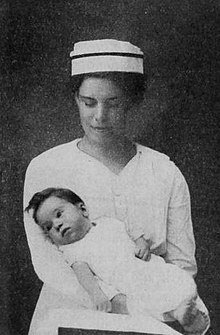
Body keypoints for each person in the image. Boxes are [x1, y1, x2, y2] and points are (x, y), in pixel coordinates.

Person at [23, 39, 210, 334]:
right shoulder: (46, 167)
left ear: (133, 102)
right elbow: (47, 263)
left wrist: (167, 308)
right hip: (71, 318)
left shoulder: (163, 171)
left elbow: (182, 263)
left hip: (153, 319)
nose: (99, 116)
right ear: (76, 99)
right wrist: (117, 304)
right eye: (89, 102)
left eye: (113, 104)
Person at [25, 187, 209, 335]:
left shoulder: (107, 223)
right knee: (148, 307)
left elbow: (130, 230)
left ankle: (190, 313)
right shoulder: (74, 251)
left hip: (145, 267)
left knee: (172, 281)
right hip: (128, 285)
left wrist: (141, 242)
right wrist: (97, 295)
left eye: (59, 214)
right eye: (48, 227)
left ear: (83, 209)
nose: (56, 225)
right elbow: (85, 278)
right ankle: (184, 317)